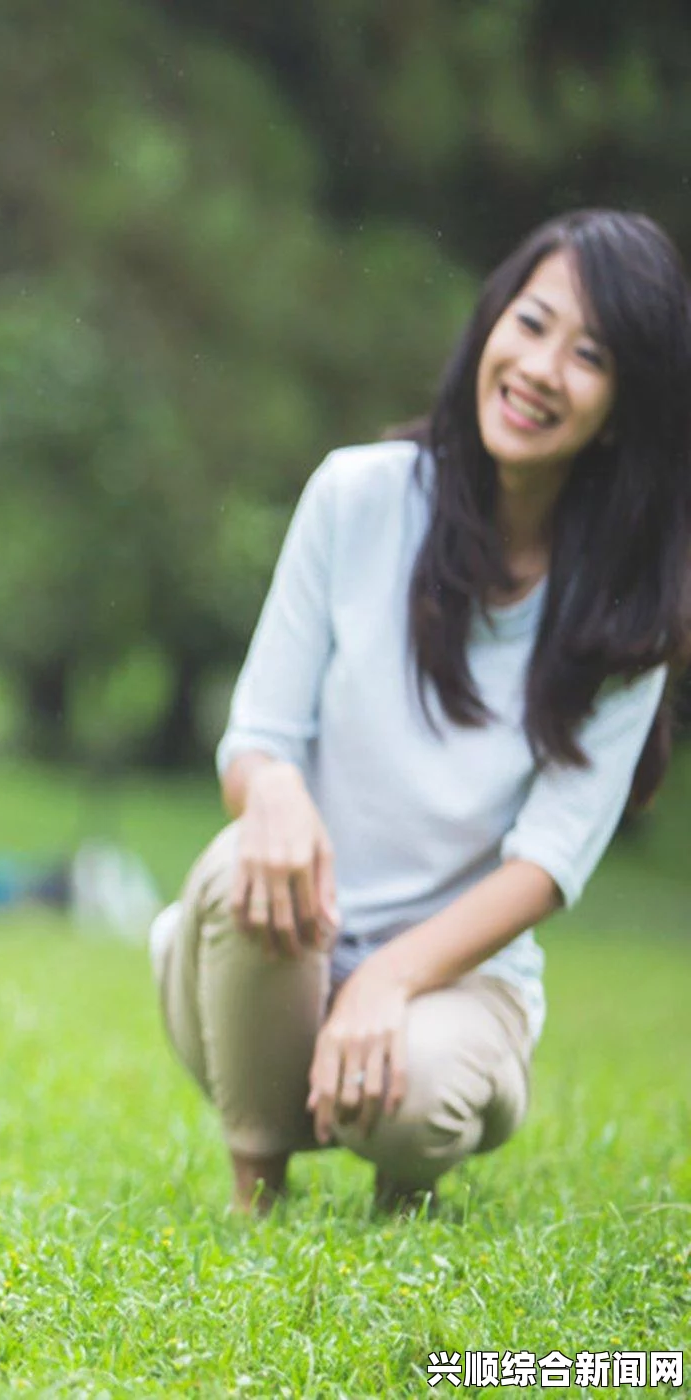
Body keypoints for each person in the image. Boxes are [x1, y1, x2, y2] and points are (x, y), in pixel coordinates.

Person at [151, 210, 691, 1214]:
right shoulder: (355, 496)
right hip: (282, 948)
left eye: (588, 356)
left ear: (621, 408)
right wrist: (270, 790)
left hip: (457, 982)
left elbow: (550, 859)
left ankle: (400, 1171)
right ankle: (255, 1190)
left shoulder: (629, 615)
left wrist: (389, 978)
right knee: (240, 861)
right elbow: (257, 734)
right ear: (488, 325)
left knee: (413, 1104)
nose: (539, 368)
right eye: (528, 324)